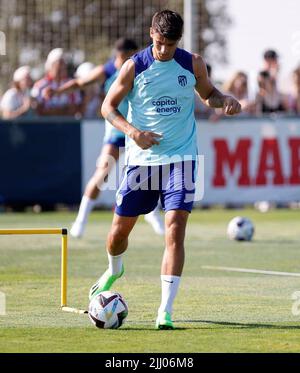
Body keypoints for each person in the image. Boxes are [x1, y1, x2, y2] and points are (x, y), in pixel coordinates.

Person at [89, 10, 241, 329]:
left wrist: (224, 98)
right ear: (150, 35)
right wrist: (133, 133)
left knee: (175, 227)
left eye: (170, 45)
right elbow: (107, 107)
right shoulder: (134, 66)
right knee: (117, 235)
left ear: (178, 42)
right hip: (142, 164)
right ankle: (114, 269)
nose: (163, 50)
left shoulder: (192, 63)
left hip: (182, 158)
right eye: (159, 43)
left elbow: (209, 95)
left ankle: (165, 311)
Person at [43, 38, 165, 237]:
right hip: (117, 132)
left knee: (148, 176)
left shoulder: (142, 68)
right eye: (131, 55)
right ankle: (80, 221)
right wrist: (57, 91)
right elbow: (80, 82)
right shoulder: (107, 71)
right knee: (102, 175)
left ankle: (153, 215)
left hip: (138, 132)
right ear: (123, 55)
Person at [31, 48, 82, 116]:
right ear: (51, 66)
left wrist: (55, 111)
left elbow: (74, 109)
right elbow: (38, 110)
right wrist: (62, 110)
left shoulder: (71, 84)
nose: (63, 66)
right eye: (60, 63)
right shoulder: (40, 86)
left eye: (64, 63)